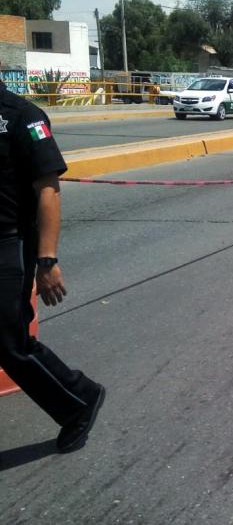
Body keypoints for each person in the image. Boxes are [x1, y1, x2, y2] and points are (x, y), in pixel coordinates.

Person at [0, 81, 105, 453]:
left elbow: (48, 188)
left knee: (10, 343)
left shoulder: (24, 117)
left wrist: (47, 261)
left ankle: (79, 401)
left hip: (8, 244)